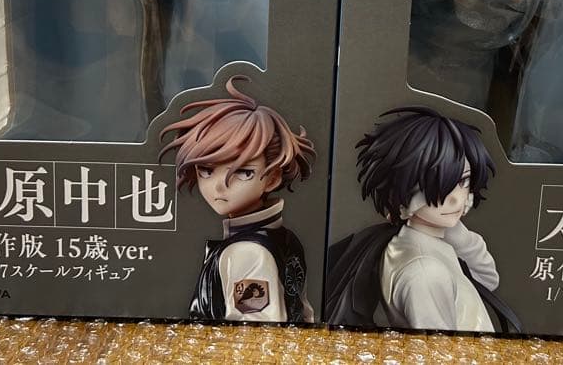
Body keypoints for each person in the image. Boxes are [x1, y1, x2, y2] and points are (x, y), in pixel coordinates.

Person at [324, 106, 520, 333]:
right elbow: (436, 348)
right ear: (403, 189)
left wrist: (454, 226)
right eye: (439, 184)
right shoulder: (425, 272)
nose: (456, 198)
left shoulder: (424, 242)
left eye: (463, 181)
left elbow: (487, 280)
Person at [159, 75, 316, 322]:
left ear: (272, 178)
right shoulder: (285, 238)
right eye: (206, 170)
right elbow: (305, 314)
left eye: (243, 172)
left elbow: (253, 329)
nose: (219, 186)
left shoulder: (247, 252)